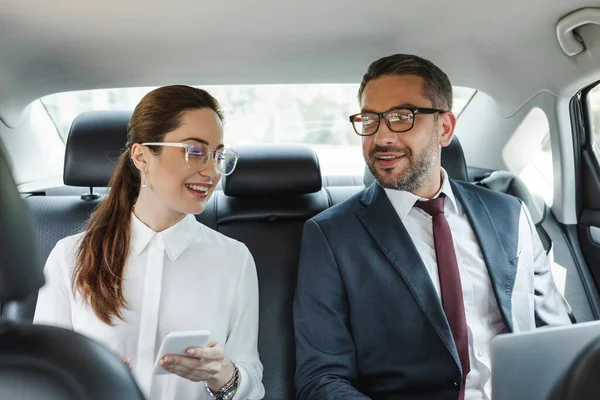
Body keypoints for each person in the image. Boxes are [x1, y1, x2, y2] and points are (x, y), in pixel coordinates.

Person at [293, 54, 571, 400]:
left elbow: (557, 337)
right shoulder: (332, 235)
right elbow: (322, 379)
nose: (381, 137)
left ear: (445, 128)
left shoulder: (509, 213)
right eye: (369, 120)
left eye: (400, 118)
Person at [34, 85, 265, 400]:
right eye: (194, 151)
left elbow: (251, 381)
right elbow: (41, 381)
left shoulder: (234, 260)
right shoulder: (70, 258)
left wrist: (221, 374)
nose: (211, 171)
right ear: (142, 156)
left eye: (217, 156)